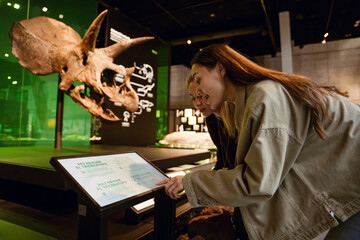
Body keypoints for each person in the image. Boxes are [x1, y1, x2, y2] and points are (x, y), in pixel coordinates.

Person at [157, 44, 360, 240]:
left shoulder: (264, 97)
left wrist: (189, 181)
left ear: (220, 68)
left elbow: (257, 183)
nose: (199, 95)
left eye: (199, 80)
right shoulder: (253, 100)